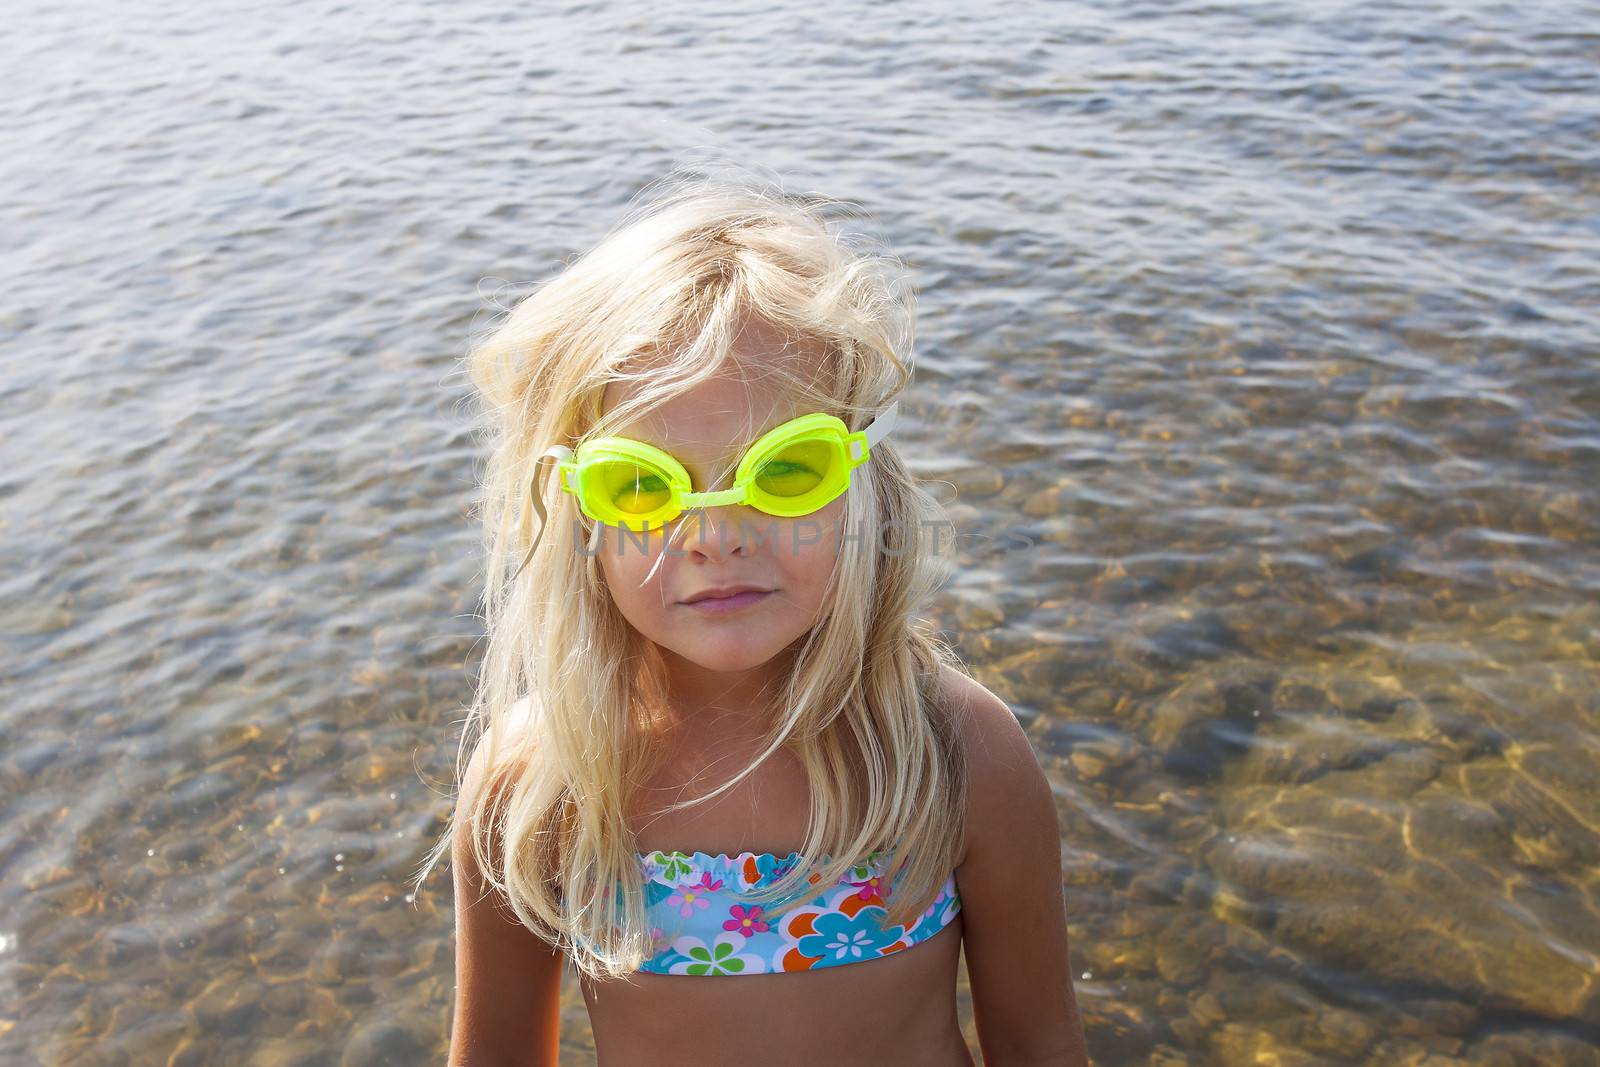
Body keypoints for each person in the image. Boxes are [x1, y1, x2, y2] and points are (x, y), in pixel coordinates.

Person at [412, 162, 1088, 1066]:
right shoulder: (542, 783)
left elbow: (1040, 1044)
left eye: (783, 470)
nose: (716, 534)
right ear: (580, 509)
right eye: (643, 484)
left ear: (863, 480)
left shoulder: (952, 750)